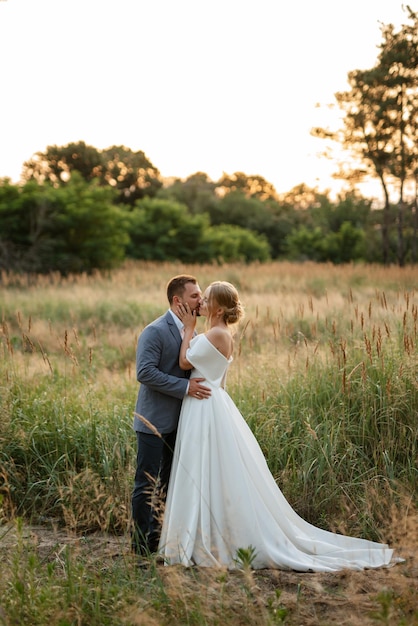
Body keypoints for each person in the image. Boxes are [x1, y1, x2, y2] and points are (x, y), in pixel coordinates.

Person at [158, 281, 399, 571]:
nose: (202, 303)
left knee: (210, 469)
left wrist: (187, 329)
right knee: (204, 470)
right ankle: (201, 532)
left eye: (206, 298)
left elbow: (185, 362)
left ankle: (211, 537)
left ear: (218, 308)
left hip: (206, 406)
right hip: (204, 403)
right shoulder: (214, 332)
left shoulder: (218, 334)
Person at [131, 274, 211, 557]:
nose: (200, 300)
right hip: (152, 420)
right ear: (178, 301)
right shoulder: (154, 331)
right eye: (194, 296)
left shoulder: (194, 332)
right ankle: (141, 547)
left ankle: (161, 538)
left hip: (183, 422)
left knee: (170, 482)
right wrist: (185, 386)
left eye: (200, 295)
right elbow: (145, 372)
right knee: (146, 484)